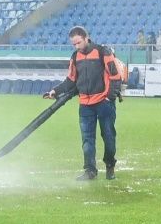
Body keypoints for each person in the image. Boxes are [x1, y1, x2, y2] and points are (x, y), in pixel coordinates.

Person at [44, 25, 126, 181]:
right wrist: (55, 91)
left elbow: (116, 77)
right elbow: (71, 80)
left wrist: (110, 98)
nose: (76, 47)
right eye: (74, 44)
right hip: (85, 105)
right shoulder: (75, 57)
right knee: (87, 140)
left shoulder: (103, 52)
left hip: (104, 104)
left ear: (86, 38)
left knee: (108, 137)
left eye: (78, 43)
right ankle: (90, 171)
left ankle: (110, 166)